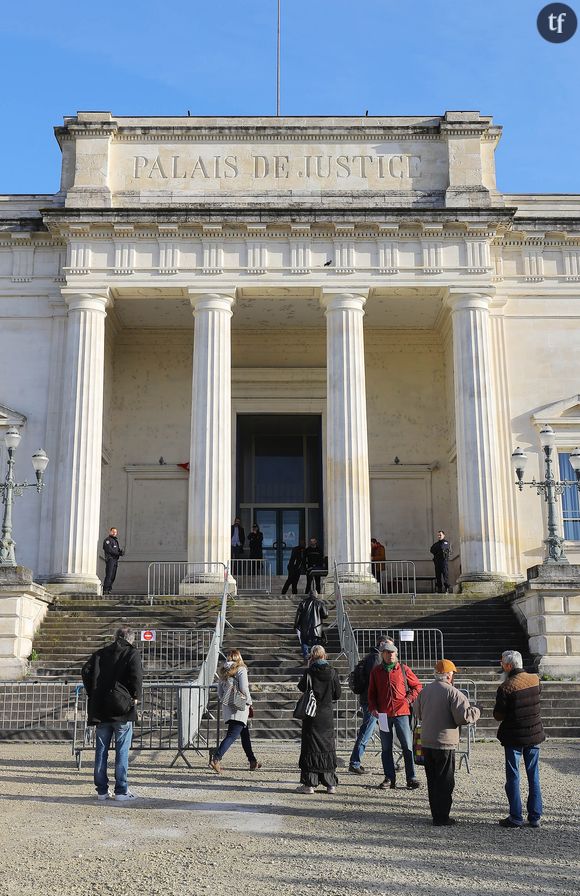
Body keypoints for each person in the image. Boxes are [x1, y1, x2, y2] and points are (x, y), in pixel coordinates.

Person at [415, 659, 481, 826]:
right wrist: (477, 710)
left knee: (432, 779)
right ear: (449, 675)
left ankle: (435, 813)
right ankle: (442, 816)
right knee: (445, 780)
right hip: (445, 742)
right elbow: (463, 717)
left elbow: (417, 712)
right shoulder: (454, 693)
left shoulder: (425, 691)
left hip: (427, 741)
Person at [81, 625, 143, 801]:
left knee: (101, 750)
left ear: (116, 637)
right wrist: (136, 695)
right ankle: (121, 790)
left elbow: (85, 671)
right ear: (130, 639)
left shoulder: (100, 653)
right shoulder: (132, 653)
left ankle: (101, 790)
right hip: (122, 706)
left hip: (101, 707)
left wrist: (92, 691)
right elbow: (137, 676)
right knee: (122, 750)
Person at [493, 649, 545, 828]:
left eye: (502, 663)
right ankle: (535, 815)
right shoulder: (535, 680)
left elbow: (498, 715)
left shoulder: (506, 687)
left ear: (508, 665)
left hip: (514, 736)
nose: (501, 665)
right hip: (534, 733)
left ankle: (515, 816)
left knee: (513, 776)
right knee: (534, 775)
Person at [367, 640, 422, 790]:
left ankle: (411, 777)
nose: (390, 655)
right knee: (386, 748)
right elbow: (371, 693)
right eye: (387, 652)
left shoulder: (403, 669)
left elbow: (417, 686)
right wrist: (373, 708)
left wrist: (408, 699)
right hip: (384, 715)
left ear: (396, 654)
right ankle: (389, 778)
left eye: (392, 652)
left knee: (407, 747)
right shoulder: (376, 672)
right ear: (382, 654)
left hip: (402, 713)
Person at [296, 644, 341, 794]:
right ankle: (330, 784)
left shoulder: (309, 672)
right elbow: (338, 694)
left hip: (311, 714)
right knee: (327, 746)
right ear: (324, 655)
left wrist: (309, 668)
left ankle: (309, 784)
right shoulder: (333, 672)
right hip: (326, 714)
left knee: (310, 747)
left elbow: (302, 687)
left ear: (312, 657)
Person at [209, 649, 261, 774]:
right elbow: (244, 688)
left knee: (244, 734)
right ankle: (216, 759)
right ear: (239, 658)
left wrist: (228, 700)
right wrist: (249, 702)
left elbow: (220, 692)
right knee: (232, 735)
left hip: (228, 706)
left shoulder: (223, 671)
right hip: (241, 706)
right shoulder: (241, 669)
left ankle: (252, 761)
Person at [348, 639, 388, 774]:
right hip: (373, 703)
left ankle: (389, 762)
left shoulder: (372, 657)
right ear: (382, 644)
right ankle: (355, 762)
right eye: (388, 645)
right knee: (367, 731)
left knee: (384, 732)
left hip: (376, 702)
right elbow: (376, 681)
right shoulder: (376, 658)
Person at [294, 590, 328, 661]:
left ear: (309, 595)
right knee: (315, 643)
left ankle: (306, 655)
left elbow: (298, 615)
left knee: (304, 642)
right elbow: (325, 615)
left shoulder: (303, 602)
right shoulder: (320, 602)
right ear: (316, 595)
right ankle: (314, 657)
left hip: (304, 627)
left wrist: (296, 625)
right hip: (316, 627)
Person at [102, 527, 124, 595]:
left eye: (116, 532)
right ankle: (105, 589)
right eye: (113, 531)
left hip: (115, 560)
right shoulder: (107, 540)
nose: (114, 533)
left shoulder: (115, 541)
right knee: (109, 575)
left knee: (113, 576)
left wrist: (120, 552)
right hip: (110, 559)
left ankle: (109, 589)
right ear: (110, 532)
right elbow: (109, 550)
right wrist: (118, 553)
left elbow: (116, 550)